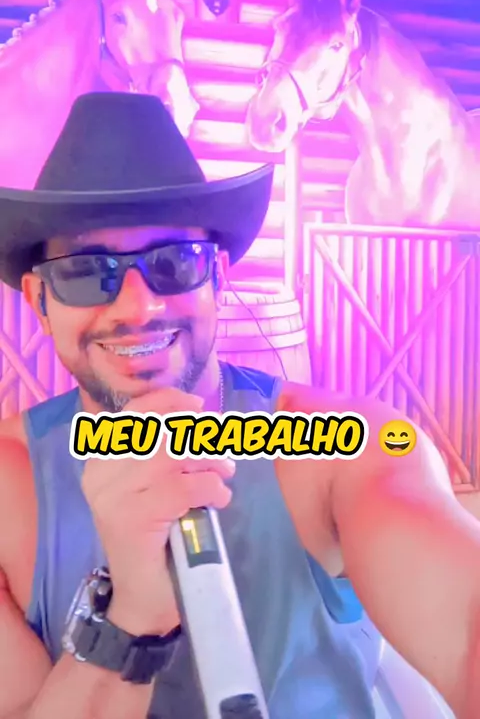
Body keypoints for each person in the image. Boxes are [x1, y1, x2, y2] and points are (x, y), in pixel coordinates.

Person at [0, 92, 478, 719]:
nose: (139, 307)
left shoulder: (347, 447)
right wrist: (132, 615)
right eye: (86, 271)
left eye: (175, 262)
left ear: (218, 278)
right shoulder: (8, 481)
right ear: (39, 301)